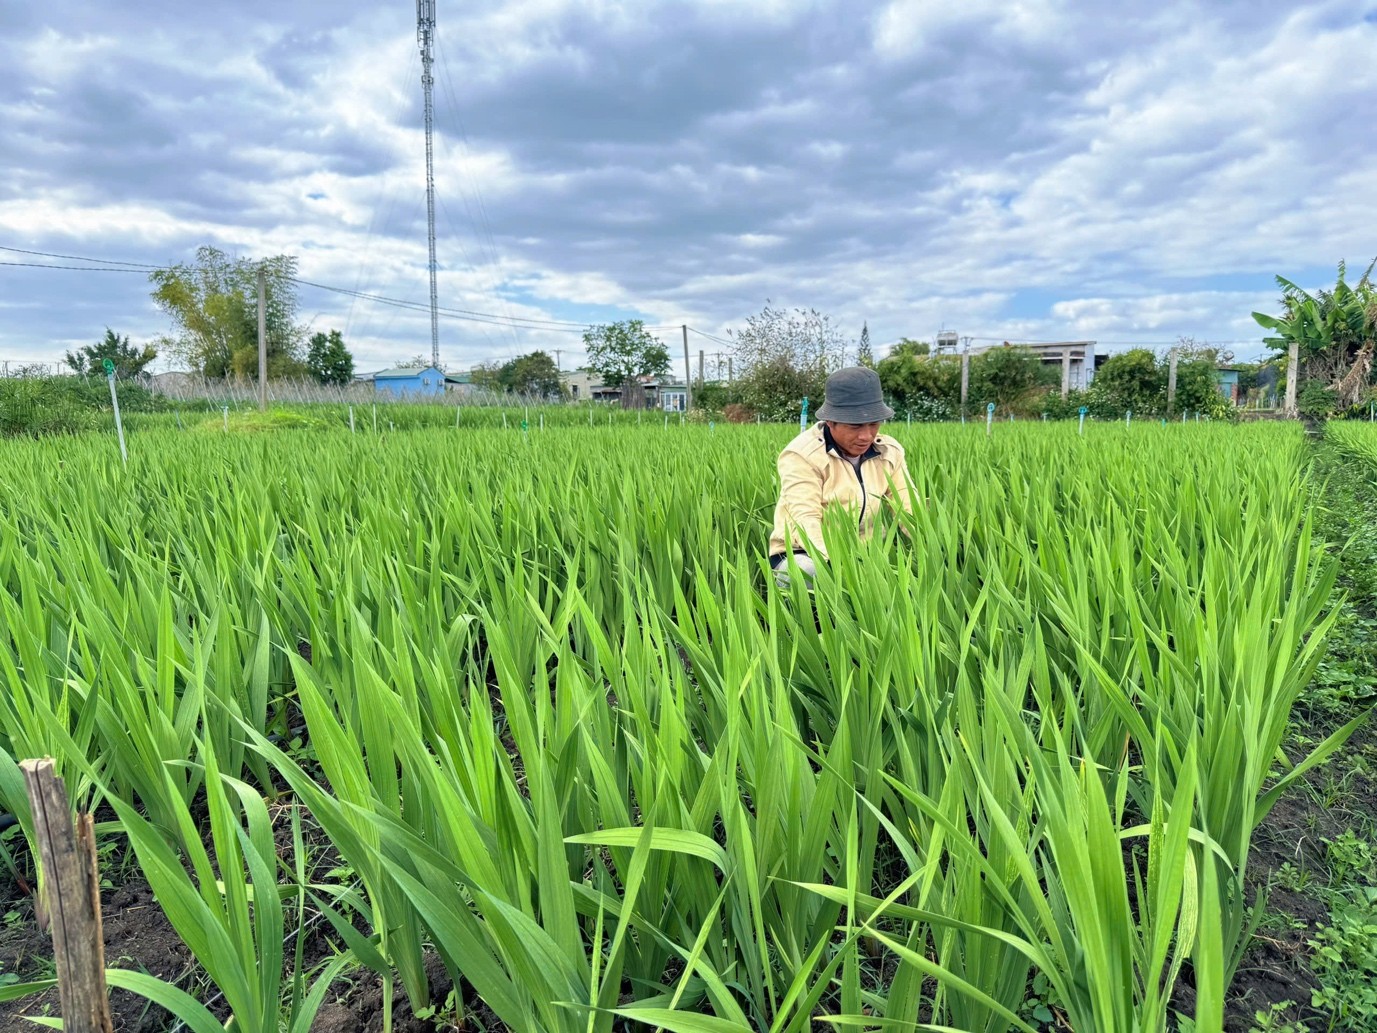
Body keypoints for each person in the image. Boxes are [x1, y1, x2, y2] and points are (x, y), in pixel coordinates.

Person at [768, 366, 917, 586]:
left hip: (866, 553)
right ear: (830, 421)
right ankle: (813, 621)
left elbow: (907, 506)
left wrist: (931, 547)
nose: (866, 435)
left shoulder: (888, 452)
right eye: (855, 426)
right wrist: (839, 566)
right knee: (809, 573)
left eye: (873, 424)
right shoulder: (802, 455)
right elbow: (805, 519)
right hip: (806, 552)